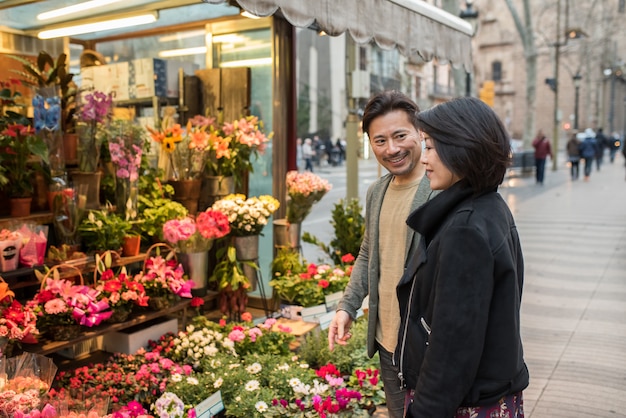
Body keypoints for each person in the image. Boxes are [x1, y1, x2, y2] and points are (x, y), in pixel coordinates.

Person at [397, 97, 528, 418]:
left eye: (429, 147)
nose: (423, 159)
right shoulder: (490, 207)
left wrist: (423, 411)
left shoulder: (465, 228)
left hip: (462, 402)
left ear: (461, 147)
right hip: (489, 391)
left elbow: (453, 345)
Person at [327, 90, 434, 418]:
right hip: (388, 341)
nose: (392, 149)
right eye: (380, 140)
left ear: (419, 132)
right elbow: (367, 254)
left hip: (426, 342)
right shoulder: (377, 191)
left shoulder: (438, 190)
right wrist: (347, 307)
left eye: (400, 135)